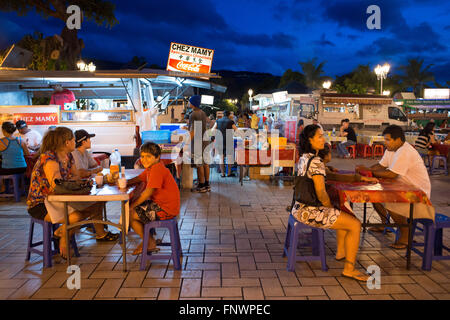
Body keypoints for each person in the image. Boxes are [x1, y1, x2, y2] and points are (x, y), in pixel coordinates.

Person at [26, 127, 119, 259]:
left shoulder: (68, 156)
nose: (75, 142)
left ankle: (62, 232)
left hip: (61, 199)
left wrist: (80, 182)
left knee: (96, 204)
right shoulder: (49, 157)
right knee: (77, 216)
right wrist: (77, 184)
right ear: (67, 142)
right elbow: (56, 186)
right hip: (42, 204)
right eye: (74, 140)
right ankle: (64, 236)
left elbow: (75, 178)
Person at [293, 125, 369, 281]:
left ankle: (342, 252)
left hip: (298, 208)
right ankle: (349, 269)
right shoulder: (316, 161)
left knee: (340, 213)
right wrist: (328, 209)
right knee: (355, 224)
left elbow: (326, 178)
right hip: (309, 211)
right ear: (310, 139)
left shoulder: (304, 157)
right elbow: (321, 192)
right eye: (320, 136)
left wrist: (355, 179)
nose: (323, 139)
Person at [356, 125, 434, 249]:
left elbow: (392, 174)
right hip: (401, 188)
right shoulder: (390, 150)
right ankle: (384, 224)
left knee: (390, 203)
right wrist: (367, 171)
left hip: (418, 193)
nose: (385, 142)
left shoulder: (405, 151)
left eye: (388, 140)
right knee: (373, 195)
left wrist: (370, 172)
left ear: (398, 140)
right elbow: (381, 165)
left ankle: (405, 235)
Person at [126, 142, 180, 255]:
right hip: (164, 206)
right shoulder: (152, 167)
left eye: (148, 157)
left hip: (166, 209)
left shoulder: (156, 169)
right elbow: (139, 178)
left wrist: (132, 206)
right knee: (135, 209)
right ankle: (149, 239)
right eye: (142, 156)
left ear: (157, 157)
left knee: (130, 214)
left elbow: (147, 193)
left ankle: (149, 242)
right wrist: (125, 183)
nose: (144, 160)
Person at [188, 95, 211, 193]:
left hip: (198, 142)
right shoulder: (203, 113)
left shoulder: (193, 114)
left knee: (199, 164)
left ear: (193, 103)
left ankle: (201, 186)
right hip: (205, 140)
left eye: (189, 101)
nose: (189, 103)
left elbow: (194, 130)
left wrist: (186, 140)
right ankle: (207, 184)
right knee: (205, 163)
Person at [0, 121, 29, 193]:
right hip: (22, 168)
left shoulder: (1, 142)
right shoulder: (21, 140)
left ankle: (2, 187)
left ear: (3, 130)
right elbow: (27, 154)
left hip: (8, 169)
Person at [212, 110, 238, 177]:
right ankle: (229, 173)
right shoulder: (230, 121)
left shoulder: (218, 121)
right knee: (229, 157)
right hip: (228, 140)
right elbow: (236, 130)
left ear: (223, 114)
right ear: (229, 115)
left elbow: (212, 130)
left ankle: (222, 174)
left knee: (221, 158)